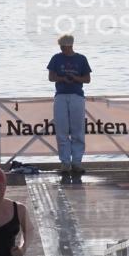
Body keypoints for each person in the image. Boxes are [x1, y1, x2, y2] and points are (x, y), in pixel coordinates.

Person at [47, 34, 91, 174]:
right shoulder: (56, 58)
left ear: (70, 46)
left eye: (63, 46)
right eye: (61, 46)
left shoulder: (81, 59)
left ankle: (77, 162)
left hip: (77, 95)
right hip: (60, 95)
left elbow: (87, 79)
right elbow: (51, 77)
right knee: (62, 130)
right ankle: (65, 162)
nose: (62, 49)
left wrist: (76, 78)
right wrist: (62, 79)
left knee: (78, 130)